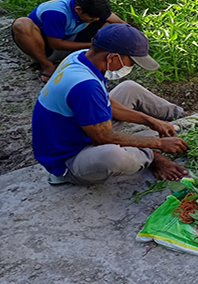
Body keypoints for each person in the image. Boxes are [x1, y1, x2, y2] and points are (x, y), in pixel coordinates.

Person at [32, 23, 189, 185]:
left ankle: (184, 117)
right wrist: (159, 144)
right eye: (131, 63)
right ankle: (151, 157)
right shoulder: (85, 86)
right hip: (69, 158)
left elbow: (104, 102)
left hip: (81, 129)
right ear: (112, 57)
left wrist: (152, 121)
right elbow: (103, 137)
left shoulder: (82, 57)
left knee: (129, 88)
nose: (130, 67)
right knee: (113, 156)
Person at [11, 0, 127, 82]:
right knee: (22, 23)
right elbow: (55, 44)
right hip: (46, 48)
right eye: (92, 18)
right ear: (78, 10)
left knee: (109, 24)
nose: (95, 19)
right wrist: (94, 44)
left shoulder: (91, 6)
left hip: (72, 38)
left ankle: (91, 57)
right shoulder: (56, 13)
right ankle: (46, 65)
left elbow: (121, 24)